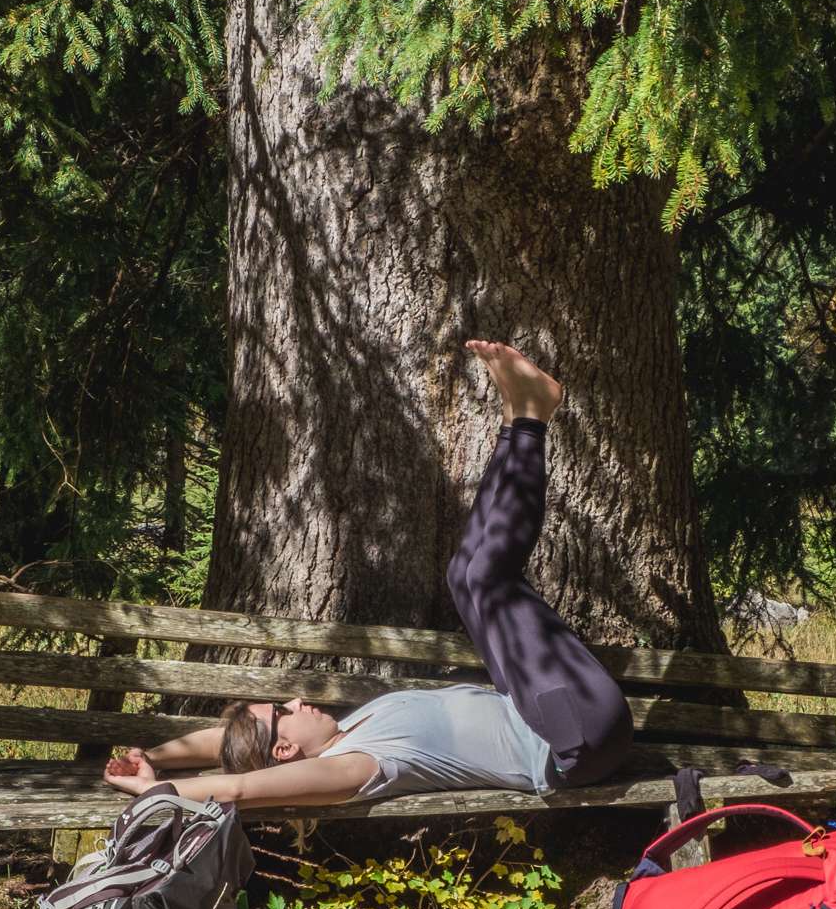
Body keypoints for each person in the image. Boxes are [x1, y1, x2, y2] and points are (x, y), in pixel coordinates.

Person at [102, 340, 634, 808]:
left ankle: (517, 418)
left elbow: (225, 740)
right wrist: (152, 791)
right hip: (571, 740)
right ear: (285, 750)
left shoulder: (345, 730)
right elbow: (240, 788)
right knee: (490, 580)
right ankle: (533, 420)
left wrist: (150, 755)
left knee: (463, 575)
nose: (297, 700)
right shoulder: (355, 765)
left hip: (541, 706)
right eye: (285, 711)